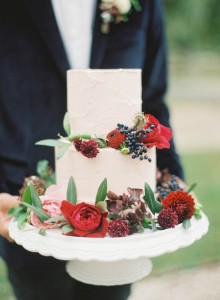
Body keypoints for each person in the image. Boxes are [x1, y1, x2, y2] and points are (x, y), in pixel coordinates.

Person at [0, 1, 184, 299]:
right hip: (21, 203)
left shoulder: (143, 4)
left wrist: (174, 180)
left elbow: (152, 101)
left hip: (121, 219)